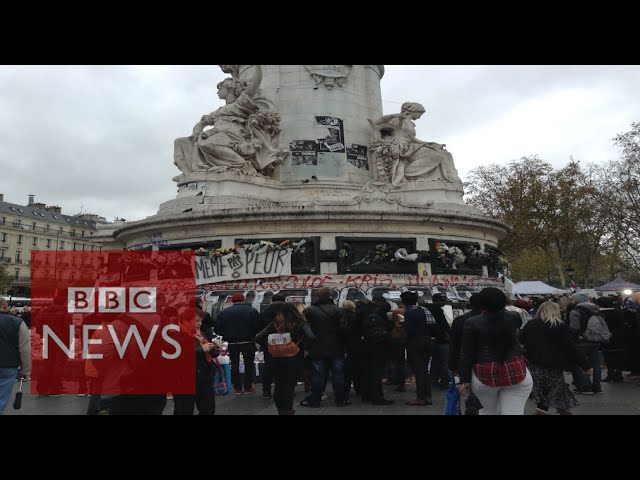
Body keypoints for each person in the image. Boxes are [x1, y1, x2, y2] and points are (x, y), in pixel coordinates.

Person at [458, 288, 533, 415]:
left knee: (487, 411)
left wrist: (465, 380)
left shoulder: (472, 323)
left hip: (485, 372)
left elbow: (467, 353)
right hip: (515, 369)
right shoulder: (514, 317)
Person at [520, 301, 591, 415]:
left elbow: (521, 340)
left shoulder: (531, 324)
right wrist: (585, 365)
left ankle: (550, 411)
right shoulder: (559, 326)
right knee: (556, 388)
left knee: (545, 389)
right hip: (554, 364)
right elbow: (570, 347)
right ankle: (558, 412)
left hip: (535, 364)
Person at [369, 102, 462, 186]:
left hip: (411, 146)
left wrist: (432, 144)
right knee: (438, 156)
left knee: (444, 154)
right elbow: (377, 122)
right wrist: (395, 116)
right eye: (420, 113)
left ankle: (450, 178)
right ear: (414, 111)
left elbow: (412, 139)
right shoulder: (398, 119)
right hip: (403, 148)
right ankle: (409, 175)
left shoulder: (410, 124)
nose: (420, 116)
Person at [255, 303, 315, 415]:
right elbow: (311, 337)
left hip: (276, 358)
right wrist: (304, 347)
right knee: (289, 385)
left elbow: (258, 337)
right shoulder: (300, 323)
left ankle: (281, 410)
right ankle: (287, 410)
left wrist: (269, 346)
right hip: (295, 358)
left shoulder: (275, 324)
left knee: (279, 384)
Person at [300, 288, 349, 408]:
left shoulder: (309, 310)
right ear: (330, 297)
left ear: (317, 297)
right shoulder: (338, 310)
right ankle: (340, 400)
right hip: (336, 347)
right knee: (338, 375)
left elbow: (304, 330)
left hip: (317, 347)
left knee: (318, 375)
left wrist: (307, 346)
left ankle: (315, 400)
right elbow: (344, 330)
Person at [174, 308, 218, 415]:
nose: (200, 324)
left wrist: (215, 348)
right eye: (197, 321)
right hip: (184, 378)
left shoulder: (199, 334)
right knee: (184, 409)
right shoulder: (176, 334)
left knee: (208, 408)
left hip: (203, 375)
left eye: (201, 321)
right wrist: (201, 350)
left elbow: (208, 353)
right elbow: (178, 355)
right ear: (185, 321)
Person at [216, 293, 260, 394]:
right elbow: (258, 325)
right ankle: (248, 387)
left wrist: (227, 334)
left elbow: (218, 328)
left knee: (234, 364)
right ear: (243, 300)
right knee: (249, 364)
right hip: (248, 341)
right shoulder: (251, 311)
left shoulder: (224, 312)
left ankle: (237, 388)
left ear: (232, 301)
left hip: (232, 343)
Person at [0, 297, 31, 415]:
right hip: (9, 365)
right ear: (4, 306)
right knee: (1, 399)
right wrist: (25, 370)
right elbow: (25, 348)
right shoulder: (17, 322)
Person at [256, 293, 287, 399]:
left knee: (268, 368)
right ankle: (283, 390)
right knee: (285, 368)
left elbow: (259, 329)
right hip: (286, 344)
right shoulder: (288, 312)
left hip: (269, 344)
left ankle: (266, 391)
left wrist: (265, 343)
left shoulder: (265, 312)